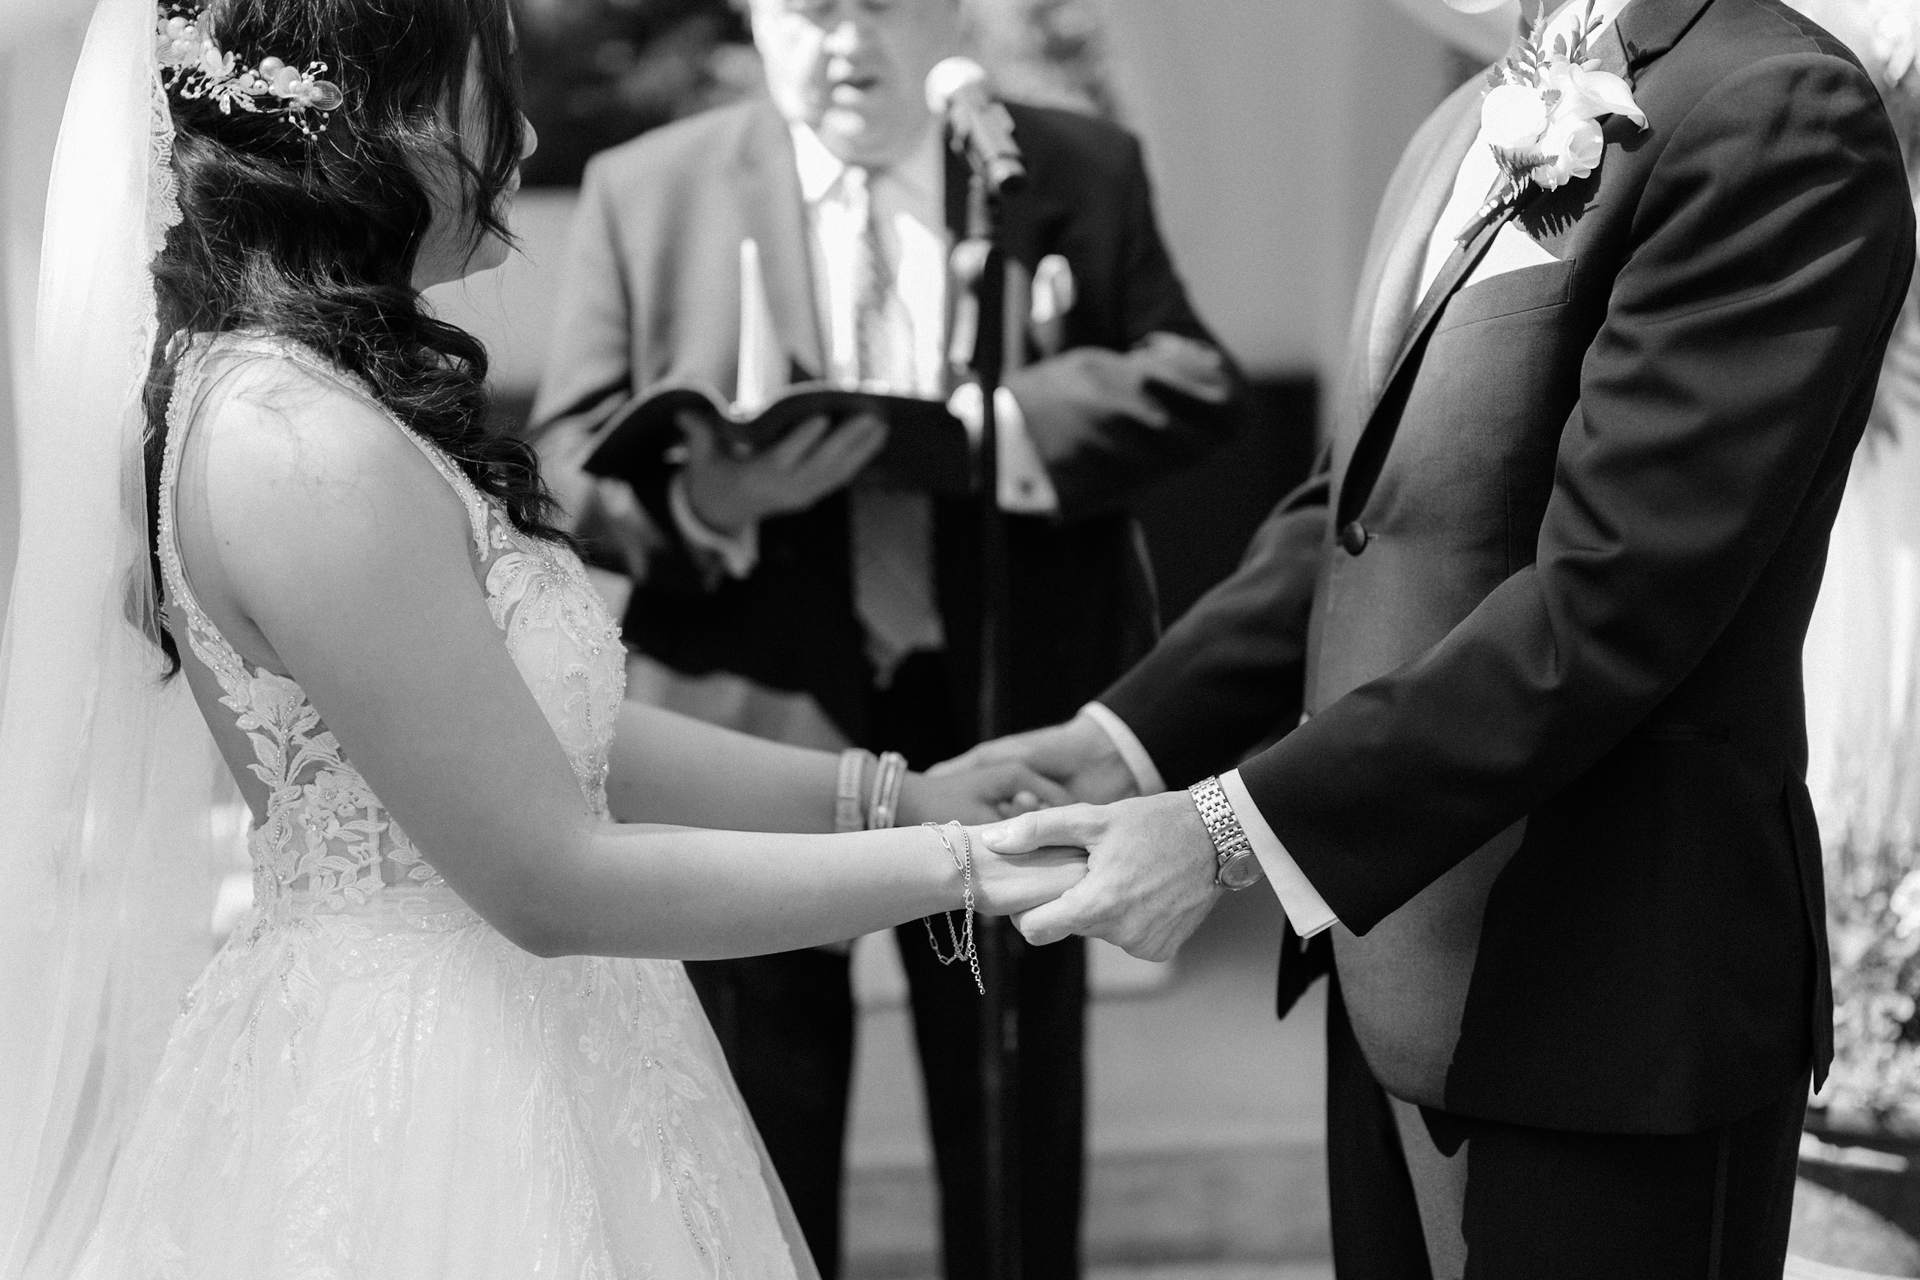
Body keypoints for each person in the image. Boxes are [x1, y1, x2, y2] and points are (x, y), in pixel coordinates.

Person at [0, 0, 1088, 1275]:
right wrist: (961, 865)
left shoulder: (311, 399)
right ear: (363, 123)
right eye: (481, 95)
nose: (519, 130)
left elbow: (535, 730)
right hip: (427, 1101)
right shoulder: (299, 446)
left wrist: (898, 790)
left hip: (540, 1043)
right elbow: (550, 878)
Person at [949, 0, 1917, 1274]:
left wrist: (1234, 829)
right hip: (1390, 981)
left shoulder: (1773, 106)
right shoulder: (1463, 120)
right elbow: (1362, 513)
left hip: (1606, 1014)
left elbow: (1615, 600)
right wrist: (1127, 735)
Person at [529, 0, 1247, 1274]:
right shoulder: (654, 186)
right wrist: (706, 498)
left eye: (886, 3)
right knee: (760, 1107)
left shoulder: (1066, 167)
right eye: (811, 9)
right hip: (751, 731)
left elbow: (1189, 378)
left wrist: (994, 434)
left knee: (1011, 1103)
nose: (850, 42)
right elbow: (566, 455)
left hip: (999, 705)